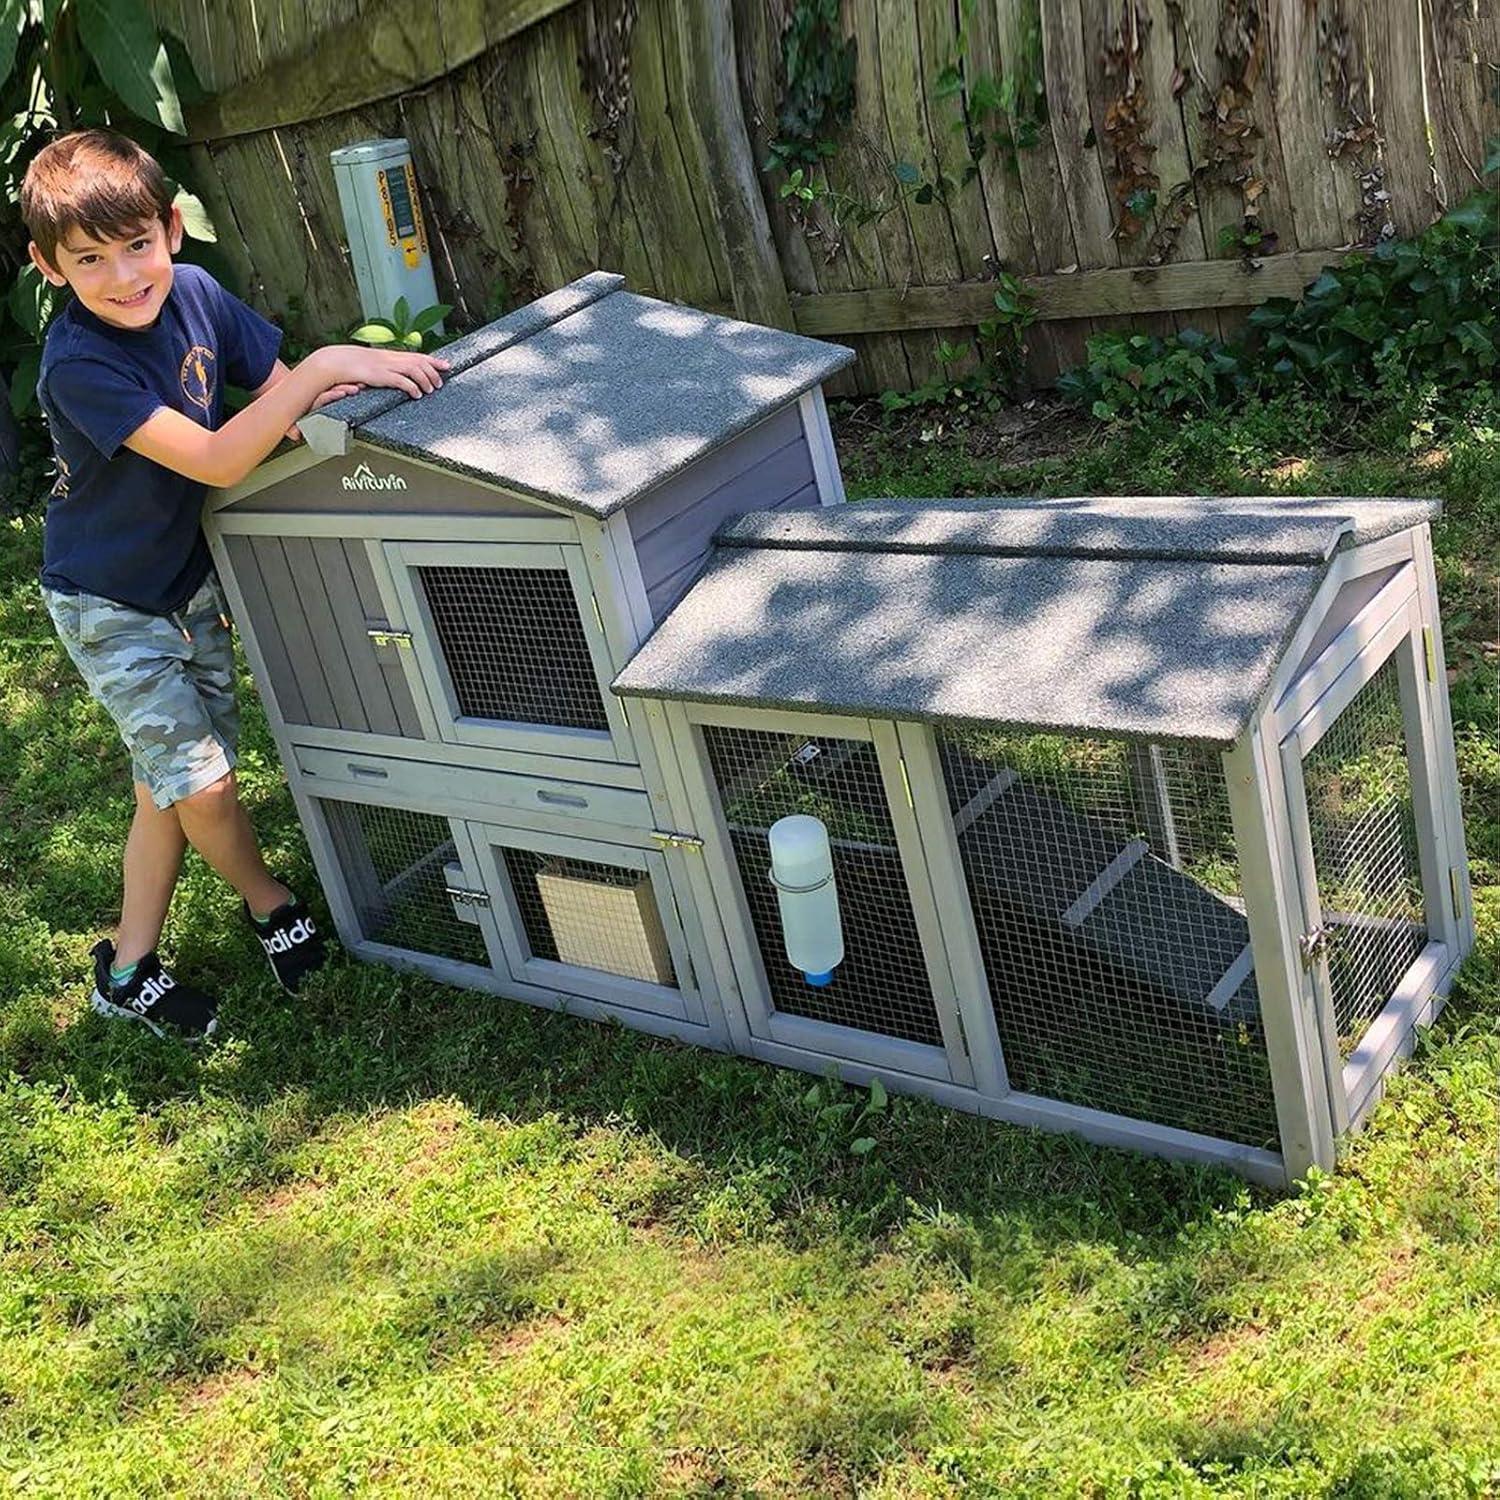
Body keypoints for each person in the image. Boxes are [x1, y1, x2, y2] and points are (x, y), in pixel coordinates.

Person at [20, 127, 450, 1041]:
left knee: (168, 781)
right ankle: (270, 902)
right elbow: (218, 457)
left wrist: (319, 397)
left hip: (185, 585)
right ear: (49, 267)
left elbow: (273, 391)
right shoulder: (80, 363)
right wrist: (331, 366)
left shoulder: (200, 295)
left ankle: (126, 965)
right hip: (110, 600)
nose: (124, 276)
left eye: (137, 245)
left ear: (171, 230)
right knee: (205, 786)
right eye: (89, 259)